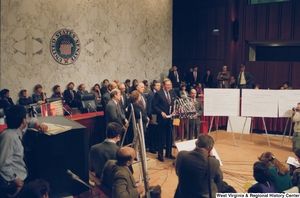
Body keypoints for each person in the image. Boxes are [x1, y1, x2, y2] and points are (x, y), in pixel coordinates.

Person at [0, 105, 48, 198]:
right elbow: (3, 165)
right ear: (23, 120)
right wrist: (18, 183)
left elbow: (31, 121)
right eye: (25, 117)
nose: (27, 119)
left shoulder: (16, 131)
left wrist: (38, 124)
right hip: (13, 184)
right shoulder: (8, 137)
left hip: (20, 179)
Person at [153, 78, 177, 162]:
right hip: (162, 118)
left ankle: (169, 153)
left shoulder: (172, 92)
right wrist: (161, 112)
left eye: (170, 85)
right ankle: (160, 155)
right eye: (167, 85)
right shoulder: (158, 94)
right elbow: (155, 106)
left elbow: (174, 102)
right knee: (161, 137)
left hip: (170, 118)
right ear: (164, 85)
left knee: (169, 136)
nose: (169, 86)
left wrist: (175, 110)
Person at [146, 81, 161, 154]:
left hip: (158, 115)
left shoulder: (159, 94)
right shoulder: (151, 95)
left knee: (157, 132)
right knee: (152, 131)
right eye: (157, 85)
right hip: (153, 114)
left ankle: (156, 146)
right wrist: (150, 116)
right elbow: (149, 106)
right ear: (154, 86)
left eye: (160, 85)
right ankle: (151, 147)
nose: (159, 87)